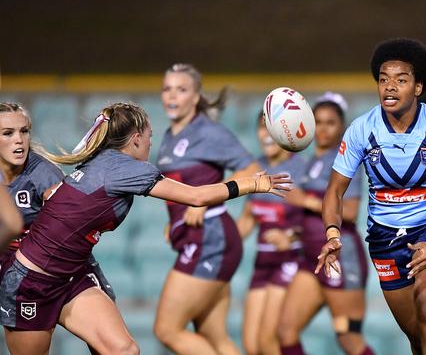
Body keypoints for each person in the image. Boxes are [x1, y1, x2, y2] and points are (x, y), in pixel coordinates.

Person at [0, 102, 290, 355]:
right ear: (136, 139)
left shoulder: (101, 161)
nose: (151, 144)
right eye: (149, 137)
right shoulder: (128, 169)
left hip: (71, 275)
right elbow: (197, 196)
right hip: (32, 282)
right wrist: (253, 183)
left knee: (124, 350)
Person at [316, 39, 426, 355]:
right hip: (386, 237)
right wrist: (332, 234)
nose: (389, 87)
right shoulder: (361, 130)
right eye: (384, 79)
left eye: (401, 80)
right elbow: (334, 192)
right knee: (417, 335)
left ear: (418, 87)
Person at [153, 63, 263, 355]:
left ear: (196, 96)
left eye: (182, 89)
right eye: (167, 89)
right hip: (199, 238)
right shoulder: (169, 136)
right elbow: (178, 187)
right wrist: (173, 216)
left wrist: (209, 198)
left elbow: (253, 171)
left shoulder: (209, 132)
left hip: (209, 238)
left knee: (167, 330)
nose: (172, 95)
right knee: (215, 338)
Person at [278, 93, 375, 355]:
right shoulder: (311, 162)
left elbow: (352, 211)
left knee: (348, 338)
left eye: (330, 122)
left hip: (340, 259)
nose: (322, 128)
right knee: (286, 331)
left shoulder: (344, 160)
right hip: (310, 258)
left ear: (341, 127)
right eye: (317, 121)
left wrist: (306, 200)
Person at [0, 103, 116, 307]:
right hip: (11, 270)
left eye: (24, 131)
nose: (19, 139)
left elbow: (71, 227)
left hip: (48, 269)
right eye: (8, 133)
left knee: (113, 336)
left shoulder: (43, 175)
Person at [237, 113, 307, 355]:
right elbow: (247, 220)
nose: (264, 135)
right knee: (251, 345)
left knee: (270, 341)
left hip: (290, 261)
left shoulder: (302, 168)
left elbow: (319, 221)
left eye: (272, 129)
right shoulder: (256, 169)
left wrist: (290, 237)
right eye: (261, 128)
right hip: (262, 263)